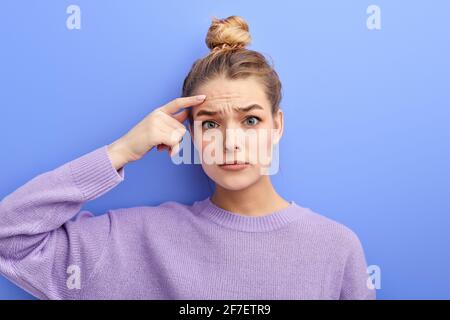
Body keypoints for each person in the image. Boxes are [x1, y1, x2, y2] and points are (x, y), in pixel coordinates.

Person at [0, 15, 376, 300]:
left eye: (250, 120)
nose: (231, 142)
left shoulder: (336, 247)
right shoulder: (137, 240)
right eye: (210, 124)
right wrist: (121, 151)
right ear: (192, 132)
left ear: (277, 126)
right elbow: (9, 238)